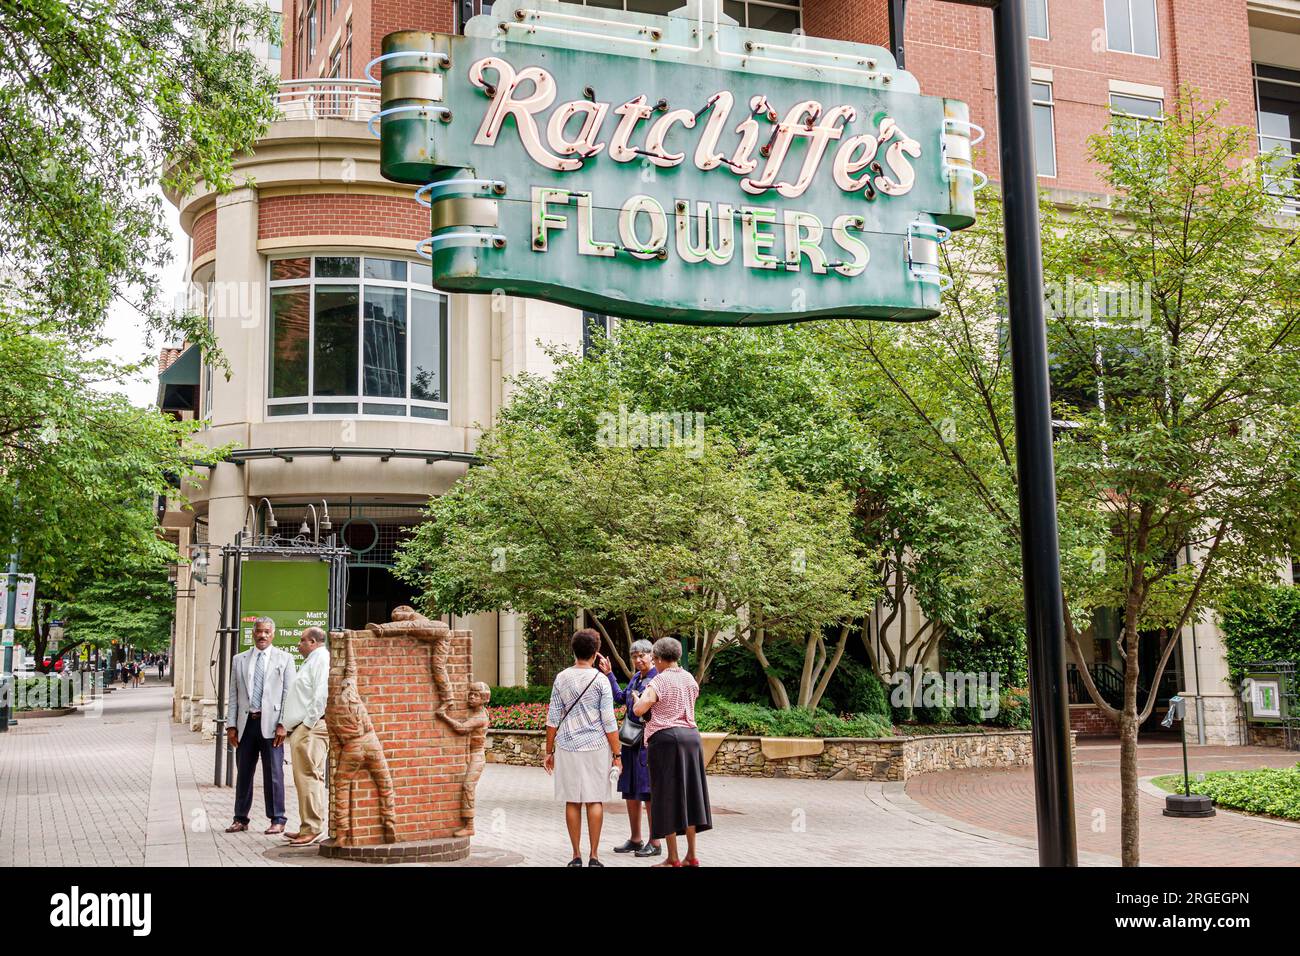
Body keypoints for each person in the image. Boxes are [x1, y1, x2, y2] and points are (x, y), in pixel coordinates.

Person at [632, 637, 712, 867]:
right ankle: (692, 855)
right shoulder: (689, 679)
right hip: (691, 739)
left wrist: (638, 699)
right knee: (690, 794)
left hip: (666, 739)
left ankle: (673, 857)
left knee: (666, 797)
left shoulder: (659, 681)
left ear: (657, 658)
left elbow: (640, 709)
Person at [544, 628, 619, 867]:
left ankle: (575, 855)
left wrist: (549, 751)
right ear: (596, 653)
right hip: (596, 746)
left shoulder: (562, 678)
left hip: (567, 745)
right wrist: (617, 754)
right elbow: (609, 721)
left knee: (572, 800)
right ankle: (594, 856)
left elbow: (552, 718)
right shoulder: (601, 681)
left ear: (573, 651)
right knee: (594, 799)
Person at [225, 618, 296, 835]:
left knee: (274, 773)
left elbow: (288, 695)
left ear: (273, 634)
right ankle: (240, 818)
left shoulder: (285, 659)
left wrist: (284, 724)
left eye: (266, 632)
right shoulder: (239, 659)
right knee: (244, 773)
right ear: (253, 633)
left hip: (272, 726)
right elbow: (234, 694)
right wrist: (231, 726)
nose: (262, 635)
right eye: (259, 632)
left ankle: (278, 818)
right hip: (246, 725)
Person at [596, 640, 660, 858]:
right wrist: (609, 674)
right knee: (631, 790)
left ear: (652, 656)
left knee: (648, 791)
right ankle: (635, 839)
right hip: (630, 740)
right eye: (635, 656)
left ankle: (655, 841)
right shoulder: (636, 678)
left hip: (647, 742)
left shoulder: (656, 679)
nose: (638, 660)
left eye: (642, 655)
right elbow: (620, 698)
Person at [281, 626, 330, 846]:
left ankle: (312, 828)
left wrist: (308, 723)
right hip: (304, 727)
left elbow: (322, 694)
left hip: (310, 728)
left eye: (302, 640)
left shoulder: (321, 659)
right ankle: (307, 826)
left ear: (313, 641)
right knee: (305, 779)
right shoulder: (313, 660)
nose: (298, 644)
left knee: (308, 777)